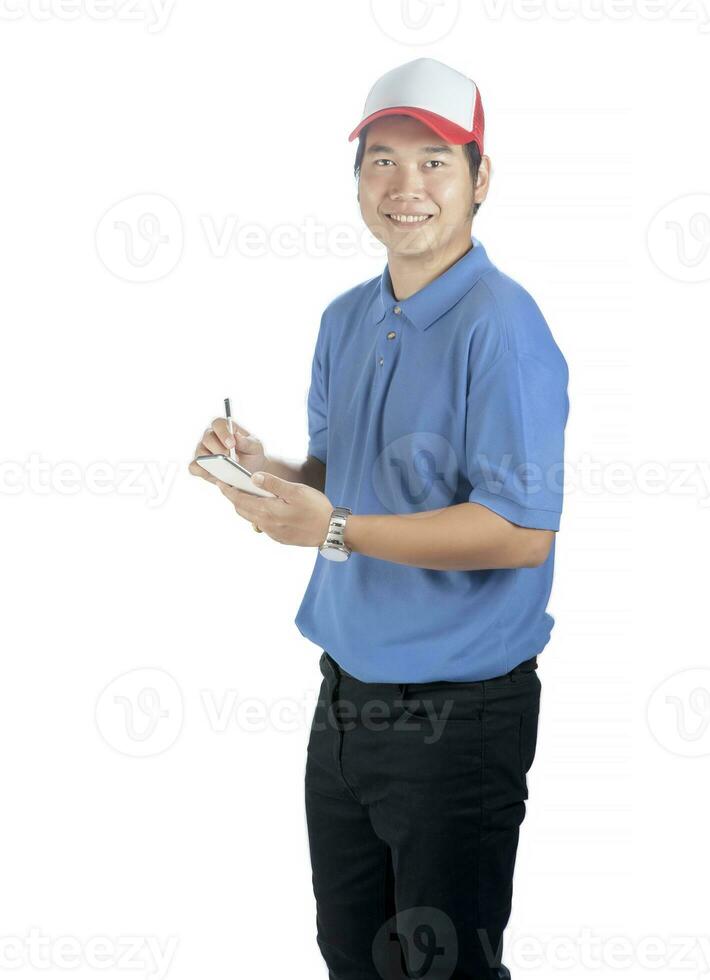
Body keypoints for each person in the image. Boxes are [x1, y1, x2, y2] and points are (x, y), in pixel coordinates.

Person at [190, 56, 569, 980]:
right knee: (352, 958)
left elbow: (522, 533)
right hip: (347, 703)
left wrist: (331, 530)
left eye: (436, 162)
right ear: (358, 179)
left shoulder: (504, 328)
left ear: (481, 179)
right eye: (383, 161)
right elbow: (337, 476)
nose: (406, 188)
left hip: (460, 716)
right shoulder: (345, 320)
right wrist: (262, 472)